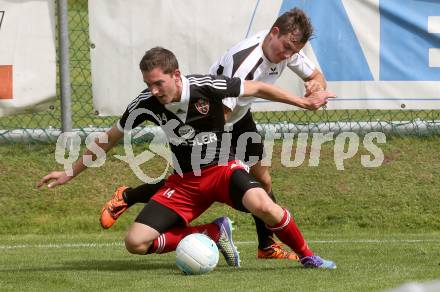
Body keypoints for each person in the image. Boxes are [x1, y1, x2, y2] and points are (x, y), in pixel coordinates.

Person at [38, 46, 336, 269]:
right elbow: (110, 137)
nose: (154, 91)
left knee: (264, 205)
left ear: (176, 75)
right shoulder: (146, 103)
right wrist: (70, 172)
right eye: (148, 84)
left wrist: (302, 101)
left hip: (223, 170)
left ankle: (309, 257)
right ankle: (212, 231)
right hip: (184, 184)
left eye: (159, 83)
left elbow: (256, 87)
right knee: (135, 243)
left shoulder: (207, 87)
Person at [100, 8, 325, 261]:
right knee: (196, 177)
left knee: (263, 180)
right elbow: (221, 114)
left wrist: (316, 86)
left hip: (239, 115)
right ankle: (128, 196)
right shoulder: (245, 62)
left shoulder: (286, 47)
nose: (288, 56)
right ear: (274, 33)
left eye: (293, 52)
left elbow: (315, 75)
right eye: (286, 48)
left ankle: (266, 246)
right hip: (216, 119)